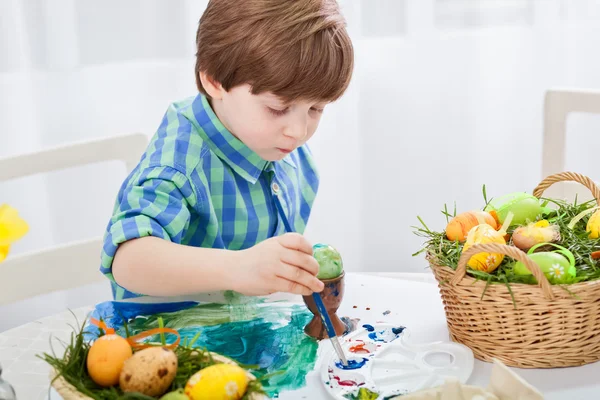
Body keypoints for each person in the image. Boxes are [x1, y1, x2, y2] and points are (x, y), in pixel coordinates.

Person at [100, 0, 354, 301]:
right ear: (213, 80)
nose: (299, 132)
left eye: (316, 108)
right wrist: (239, 268)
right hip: (173, 338)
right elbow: (129, 262)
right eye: (278, 108)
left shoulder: (278, 143)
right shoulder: (179, 163)